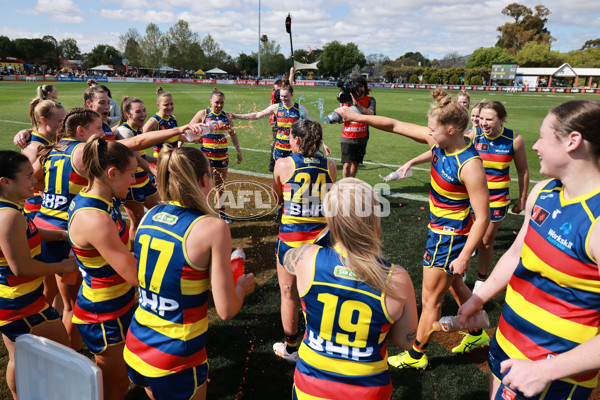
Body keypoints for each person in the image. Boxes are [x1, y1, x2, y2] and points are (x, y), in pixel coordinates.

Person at [335, 87, 490, 369]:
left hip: (450, 238)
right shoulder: (441, 143)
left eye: (433, 130)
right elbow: (394, 125)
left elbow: (483, 217)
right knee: (454, 283)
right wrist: (355, 116)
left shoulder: (470, 165)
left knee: (430, 299)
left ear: (452, 129)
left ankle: (417, 355)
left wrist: (465, 255)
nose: (428, 133)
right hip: (440, 231)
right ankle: (478, 333)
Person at [458, 100, 600, 400]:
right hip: (507, 346)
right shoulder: (544, 191)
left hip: (553, 372)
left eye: (544, 138)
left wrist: (546, 371)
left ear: (573, 142)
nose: (535, 146)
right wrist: (478, 299)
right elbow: (514, 254)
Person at [124, 146, 256, 400]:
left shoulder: (150, 215)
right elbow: (226, 310)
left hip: (138, 341)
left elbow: (177, 273)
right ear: (205, 179)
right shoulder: (213, 228)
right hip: (176, 355)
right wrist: (241, 287)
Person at [282, 177, 418, 399]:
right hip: (368, 390)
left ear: (331, 220)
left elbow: (287, 257)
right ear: (374, 219)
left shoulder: (307, 258)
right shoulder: (397, 279)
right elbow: (406, 340)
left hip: (309, 386)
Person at [0, 150, 77, 399]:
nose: (35, 181)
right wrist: (62, 267)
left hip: (10, 300)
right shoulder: (9, 216)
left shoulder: (11, 209)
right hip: (21, 304)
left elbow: (25, 233)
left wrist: (59, 234)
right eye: (27, 176)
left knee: (17, 357)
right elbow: (21, 267)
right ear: (5, 182)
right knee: (65, 356)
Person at [68, 137, 139, 400]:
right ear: (112, 173)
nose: (133, 181)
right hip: (104, 315)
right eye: (131, 175)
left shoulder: (100, 201)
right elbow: (134, 275)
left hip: (114, 304)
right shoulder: (95, 218)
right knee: (115, 387)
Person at [271, 120, 337, 362]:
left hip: (291, 238)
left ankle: (290, 348)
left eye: (290, 136)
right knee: (317, 292)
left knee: (288, 292)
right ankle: (319, 341)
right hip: (320, 238)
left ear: (297, 139)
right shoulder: (329, 165)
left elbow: (276, 197)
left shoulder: (283, 164)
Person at [467, 101, 529, 293]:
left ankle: (481, 278)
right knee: (465, 236)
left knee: (486, 241)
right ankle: (461, 271)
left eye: (489, 119)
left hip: (497, 199)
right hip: (469, 198)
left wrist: (522, 198)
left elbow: (522, 171)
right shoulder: (473, 134)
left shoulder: (514, 140)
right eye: (481, 118)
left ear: (502, 119)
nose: (483, 123)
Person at [229, 82, 331, 164]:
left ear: (292, 95)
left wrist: (323, 143)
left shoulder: (300, 109)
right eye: (281, 96)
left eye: (286, 96)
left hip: (295, 149)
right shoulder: (276, 107)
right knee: (279, 175)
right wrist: (237, 116)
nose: (283, 99)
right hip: (279, 148)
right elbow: (257, 115)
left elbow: (311, 128)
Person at [190, 88, 242, 223]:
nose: (219, 105)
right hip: (205, 158)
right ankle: (200, 212)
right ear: (211, 102)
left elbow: (233, 134)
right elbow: (189, 129)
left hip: (221, 157)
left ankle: (222, 213)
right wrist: (181, 145)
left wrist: (238, 151)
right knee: (202, 185)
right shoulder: (203, 114)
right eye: (217, 102)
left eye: (222, 103)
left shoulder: (226, 117)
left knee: (220, 186)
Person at [115, 97, 161, 239]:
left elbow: (142, 156)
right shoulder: (125, 132)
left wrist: (160, 161)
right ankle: (134, 254)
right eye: (138, 112)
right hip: (132, 185)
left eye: (144, 110)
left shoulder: (137, 130)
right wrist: (156, 172)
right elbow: (138, 161)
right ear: (128, 114)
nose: (143, 115)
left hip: (144, 180)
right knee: (137, 223)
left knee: (159, 211)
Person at [339, 77, 376, 178]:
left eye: (361, 86)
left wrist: (357, 105)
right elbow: (341, 116)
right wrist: (342, 101)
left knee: (356, 163)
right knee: (346, 164)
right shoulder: (347, 99)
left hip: (361, 138)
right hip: (347, 136)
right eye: (357, 87)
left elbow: (371, 114)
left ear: (365, 87)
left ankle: (351, 183)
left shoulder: (370, 100)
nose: (359, 89)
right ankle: (345, 185)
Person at [142, 87, 180, 158]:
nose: (170, 107)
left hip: (174, 159)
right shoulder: (154, 121)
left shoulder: (173, 119)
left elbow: (177, 137)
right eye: (166, 105)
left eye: (171, 104)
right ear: (158, 105)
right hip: (160, 160)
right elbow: (140, 139)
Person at [268, 78, 283, 171]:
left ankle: (274, 163)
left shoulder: (277, 93)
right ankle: (272, 164)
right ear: (274, 85)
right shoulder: (276, 93)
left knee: (278, 141)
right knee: (277, 142)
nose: (279, 85)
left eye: (280, 83)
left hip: (279, 119)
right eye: (277, 84)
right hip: (276, 120)